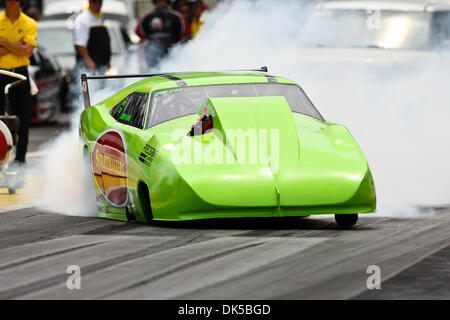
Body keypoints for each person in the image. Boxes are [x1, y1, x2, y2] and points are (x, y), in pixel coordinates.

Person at [0, 0, 37, 165]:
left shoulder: (29, 23)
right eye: (10, 0)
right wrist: (18, 46)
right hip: (2, 73)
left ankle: (20, 159)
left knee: (22, 118)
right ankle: (2, 157)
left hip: (21, 74)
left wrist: (4, 43)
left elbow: (27, 51)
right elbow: (22, 49)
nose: (13, 3)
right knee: (0, 118)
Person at [137, 0, 184, 68]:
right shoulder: (146, 18)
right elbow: (141, 39)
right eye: (159, 1)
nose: (161, 3)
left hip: (172, 54)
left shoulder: (177, 17)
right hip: (152, 57)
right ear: (155, 2)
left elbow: (184, 37)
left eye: (163, 1)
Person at [73, 0, 111, 74]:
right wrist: (88, 61)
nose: (97, 4)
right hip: (90, 67)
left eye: (99, 2)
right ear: (89, 2)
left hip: (101, 66)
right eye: (95, 1)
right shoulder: (83, 19)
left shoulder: (100, 18)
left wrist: (106, 61)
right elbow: (80, 44)